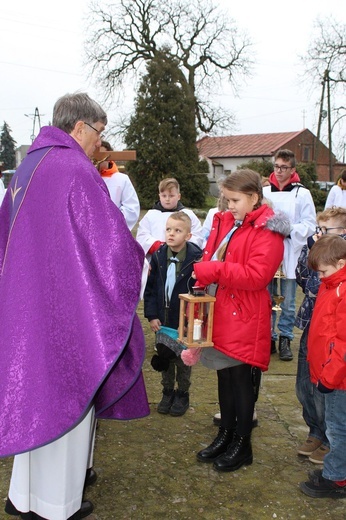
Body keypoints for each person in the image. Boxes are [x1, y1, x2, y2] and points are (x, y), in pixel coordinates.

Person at [0, 93, 149, 520]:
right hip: (65, 309)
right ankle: (55, 505)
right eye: (100, 135)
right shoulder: (73, 170)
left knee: (31, 400)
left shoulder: (29, 165)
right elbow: (110, 246)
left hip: (27, 304)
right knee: (66, 398)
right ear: (80, 127)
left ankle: (22, 497)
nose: (101, 145)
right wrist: (139, 262)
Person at [189, 169, 290, 472]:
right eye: (226, 199)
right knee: (223, 375)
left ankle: (242, 443)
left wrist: (214, 271)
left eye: (234, 200)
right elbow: (216, 254)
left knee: (240, 380)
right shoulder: (232, 223)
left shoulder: (267, 231)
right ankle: (226, 433)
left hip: (244, 313)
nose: (229, 205)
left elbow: (257, 276)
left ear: (254, 197)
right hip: (222, 308)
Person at [295, 207, 346, 465]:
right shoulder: (326, 273)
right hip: (316, 342)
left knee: (331, 408)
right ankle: (316, 433)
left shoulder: (338, 277)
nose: (320, 234)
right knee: (305, 388)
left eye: (328, 231)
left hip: (333, 357)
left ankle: (331, 455)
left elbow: (316, 285)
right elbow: (304, 278)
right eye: (319, 229)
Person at [144, 211, 202, 416]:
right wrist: (151, 315)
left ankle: (182, 394)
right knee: (165, 357)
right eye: (168, 229)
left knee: (183, 360)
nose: (171, 234)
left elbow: (200, 293)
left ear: (188, 236)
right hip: (162, 320)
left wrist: (191, 321)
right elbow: (150, 289)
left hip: (184, 322)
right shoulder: (159, 257)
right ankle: (167, 391)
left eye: (177, 231)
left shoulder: (196, 258)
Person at [263, 149, 316, 361]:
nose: (279, 171)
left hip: (290, 249)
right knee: (267, 296)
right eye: (276, 166)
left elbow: (310, 223)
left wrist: (289, 229)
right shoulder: (265, 192)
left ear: (292, 169)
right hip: (268, 250)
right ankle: (269, 337)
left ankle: (285, 336)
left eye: (284, 167)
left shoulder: (302, 193)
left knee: (287, 299)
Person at [136, 177, 204, 259]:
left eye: (171, 196)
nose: (167, 199)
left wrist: (179, 246)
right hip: (156, 259)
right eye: (164, 196)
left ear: (178, 196)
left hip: (182, 258)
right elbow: (142, 237)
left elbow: (198, 237)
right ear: (159, 196)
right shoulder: (150, 215)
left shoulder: (188, 215)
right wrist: (160, 247)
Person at [97, 140, 140, 230]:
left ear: (109, 158)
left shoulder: (121, 179)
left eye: (101, 155)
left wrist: (110, 218)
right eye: (95, 155)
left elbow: (131, 209)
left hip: (113, 230)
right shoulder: (84, 177)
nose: (98, 160)